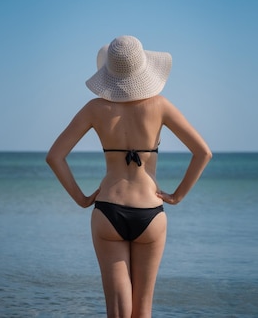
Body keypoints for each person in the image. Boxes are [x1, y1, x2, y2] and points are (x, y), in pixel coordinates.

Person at [46, 35, 212, 318]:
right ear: (143, 70)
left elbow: (55, 156)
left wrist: (82, 198)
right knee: (142, 311)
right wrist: (177, 195)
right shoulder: (160, 106)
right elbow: (203, 153)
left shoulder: (95, 109)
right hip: (150, 212)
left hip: (108, 210)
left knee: (117, 312)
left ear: (109, 72)